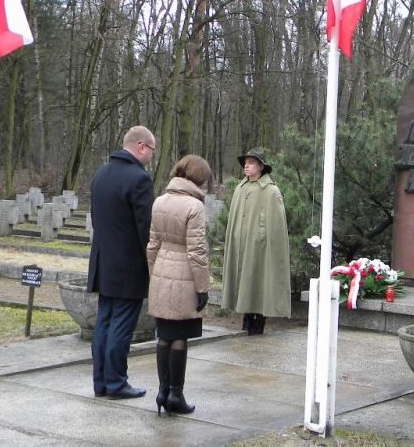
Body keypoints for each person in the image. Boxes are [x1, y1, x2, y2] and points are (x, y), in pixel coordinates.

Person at [88, 125, 156, 399]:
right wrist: (152, 262)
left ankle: (101, 382)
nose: (152, 155)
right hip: (128, 266)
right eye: (152, 150)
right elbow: (145, 228)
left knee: (104, 322)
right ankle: (116, 382)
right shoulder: (138, 179)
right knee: (121, 326)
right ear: (141, 146)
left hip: (104, 261)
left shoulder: (101, 174)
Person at [147, 155, 212, 415]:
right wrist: (202, 287)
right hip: (185, 274)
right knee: (179, 337)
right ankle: (176, 394)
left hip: (163, 270)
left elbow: (152, 245)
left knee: (164, 336)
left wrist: (156, 276)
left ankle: (162, 392)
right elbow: (197, 252)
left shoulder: (159, 201)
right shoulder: (194, 207)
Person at [221, 148, 291, 335]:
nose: (246, 165)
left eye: (251, 162)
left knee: (259, 280)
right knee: (244, 280)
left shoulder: (271, 191)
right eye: (245, 162)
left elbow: (276, 227)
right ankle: (246, 318)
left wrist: (265, 241)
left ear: (261, 166)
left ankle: (259, 320)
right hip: (241, 244)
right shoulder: (240, 188)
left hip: (260, 247)